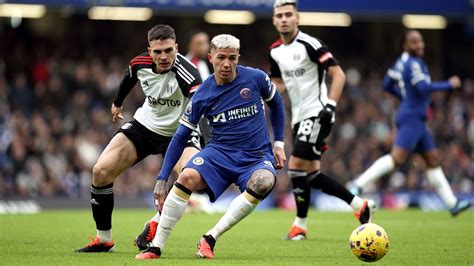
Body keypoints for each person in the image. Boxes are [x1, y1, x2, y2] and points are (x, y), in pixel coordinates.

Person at [135, 34, 286, 260]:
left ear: (238, 58)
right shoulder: (203, 93)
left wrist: (280, 143)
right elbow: (179, 137)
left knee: (265, 181)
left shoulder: (256, 78)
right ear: (211, 57)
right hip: (219, 154)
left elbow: (277, 103)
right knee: (186, 177)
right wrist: (162, 177)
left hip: (255, 157)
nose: (226, 64)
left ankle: (210, 237)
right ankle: (156, 247)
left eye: (232, 58)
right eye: (221, 58)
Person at [75, 24, 203, 252]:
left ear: (177, 48)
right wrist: (117, 103)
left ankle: (155, 222)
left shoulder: (189, 74)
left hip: (180, 131)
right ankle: (104, 239)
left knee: (191, 177)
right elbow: (128, 78)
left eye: (168, 51)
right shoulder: (139, 63)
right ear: (149, 51)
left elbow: (202, 105)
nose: (163, 57)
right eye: (157, 52)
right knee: (101, 171)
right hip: (145, 125)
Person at [269, 0, 375, 241]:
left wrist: (330, 106)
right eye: (280, 16)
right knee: (312, 175)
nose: (284, 19)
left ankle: (300, 226)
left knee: (295, 167)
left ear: (298, 18)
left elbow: (338, 74)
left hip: (317, 112)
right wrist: (263, 90)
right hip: (298, 118)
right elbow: (279, 83)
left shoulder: (310, 44)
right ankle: (360, 205)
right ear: (274, 21)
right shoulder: (275, 51)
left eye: (289, 14)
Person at [347, 29, 471, 216]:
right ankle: (357, 184)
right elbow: (422, 88)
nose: (419, 45)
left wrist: (404, 98)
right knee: (397, 158)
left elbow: (387, 84)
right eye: (414, 42)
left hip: (416, 118)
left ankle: (452, 204)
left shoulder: (401, 61)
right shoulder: (413, 63)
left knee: (432, 161)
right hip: (412, 117)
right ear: (405, 45)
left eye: (420, 41)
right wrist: (448, 84)